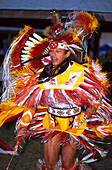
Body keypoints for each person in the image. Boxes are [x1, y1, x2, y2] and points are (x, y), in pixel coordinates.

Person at [0, 10, 112, 170]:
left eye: (58, 51)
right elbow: (32, 102)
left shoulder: (81, 73)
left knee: (67, 164)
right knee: (50, 164)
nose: (53, 54)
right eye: (51, 50)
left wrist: (90, 110)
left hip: (75, 123)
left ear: (67, 53)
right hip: (51, 121)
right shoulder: (41, 75)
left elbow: (95, 97)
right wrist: (24, 124)